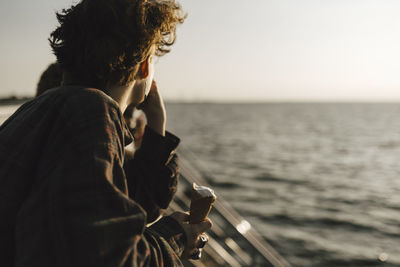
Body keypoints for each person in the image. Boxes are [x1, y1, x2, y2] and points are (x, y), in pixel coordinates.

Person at [0, 0, 212, 266]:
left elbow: (117, 208)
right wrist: (176, 236)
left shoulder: (39, 110)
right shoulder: (91, 111)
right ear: (145, 66)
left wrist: (156, 121)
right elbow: (108, 257)